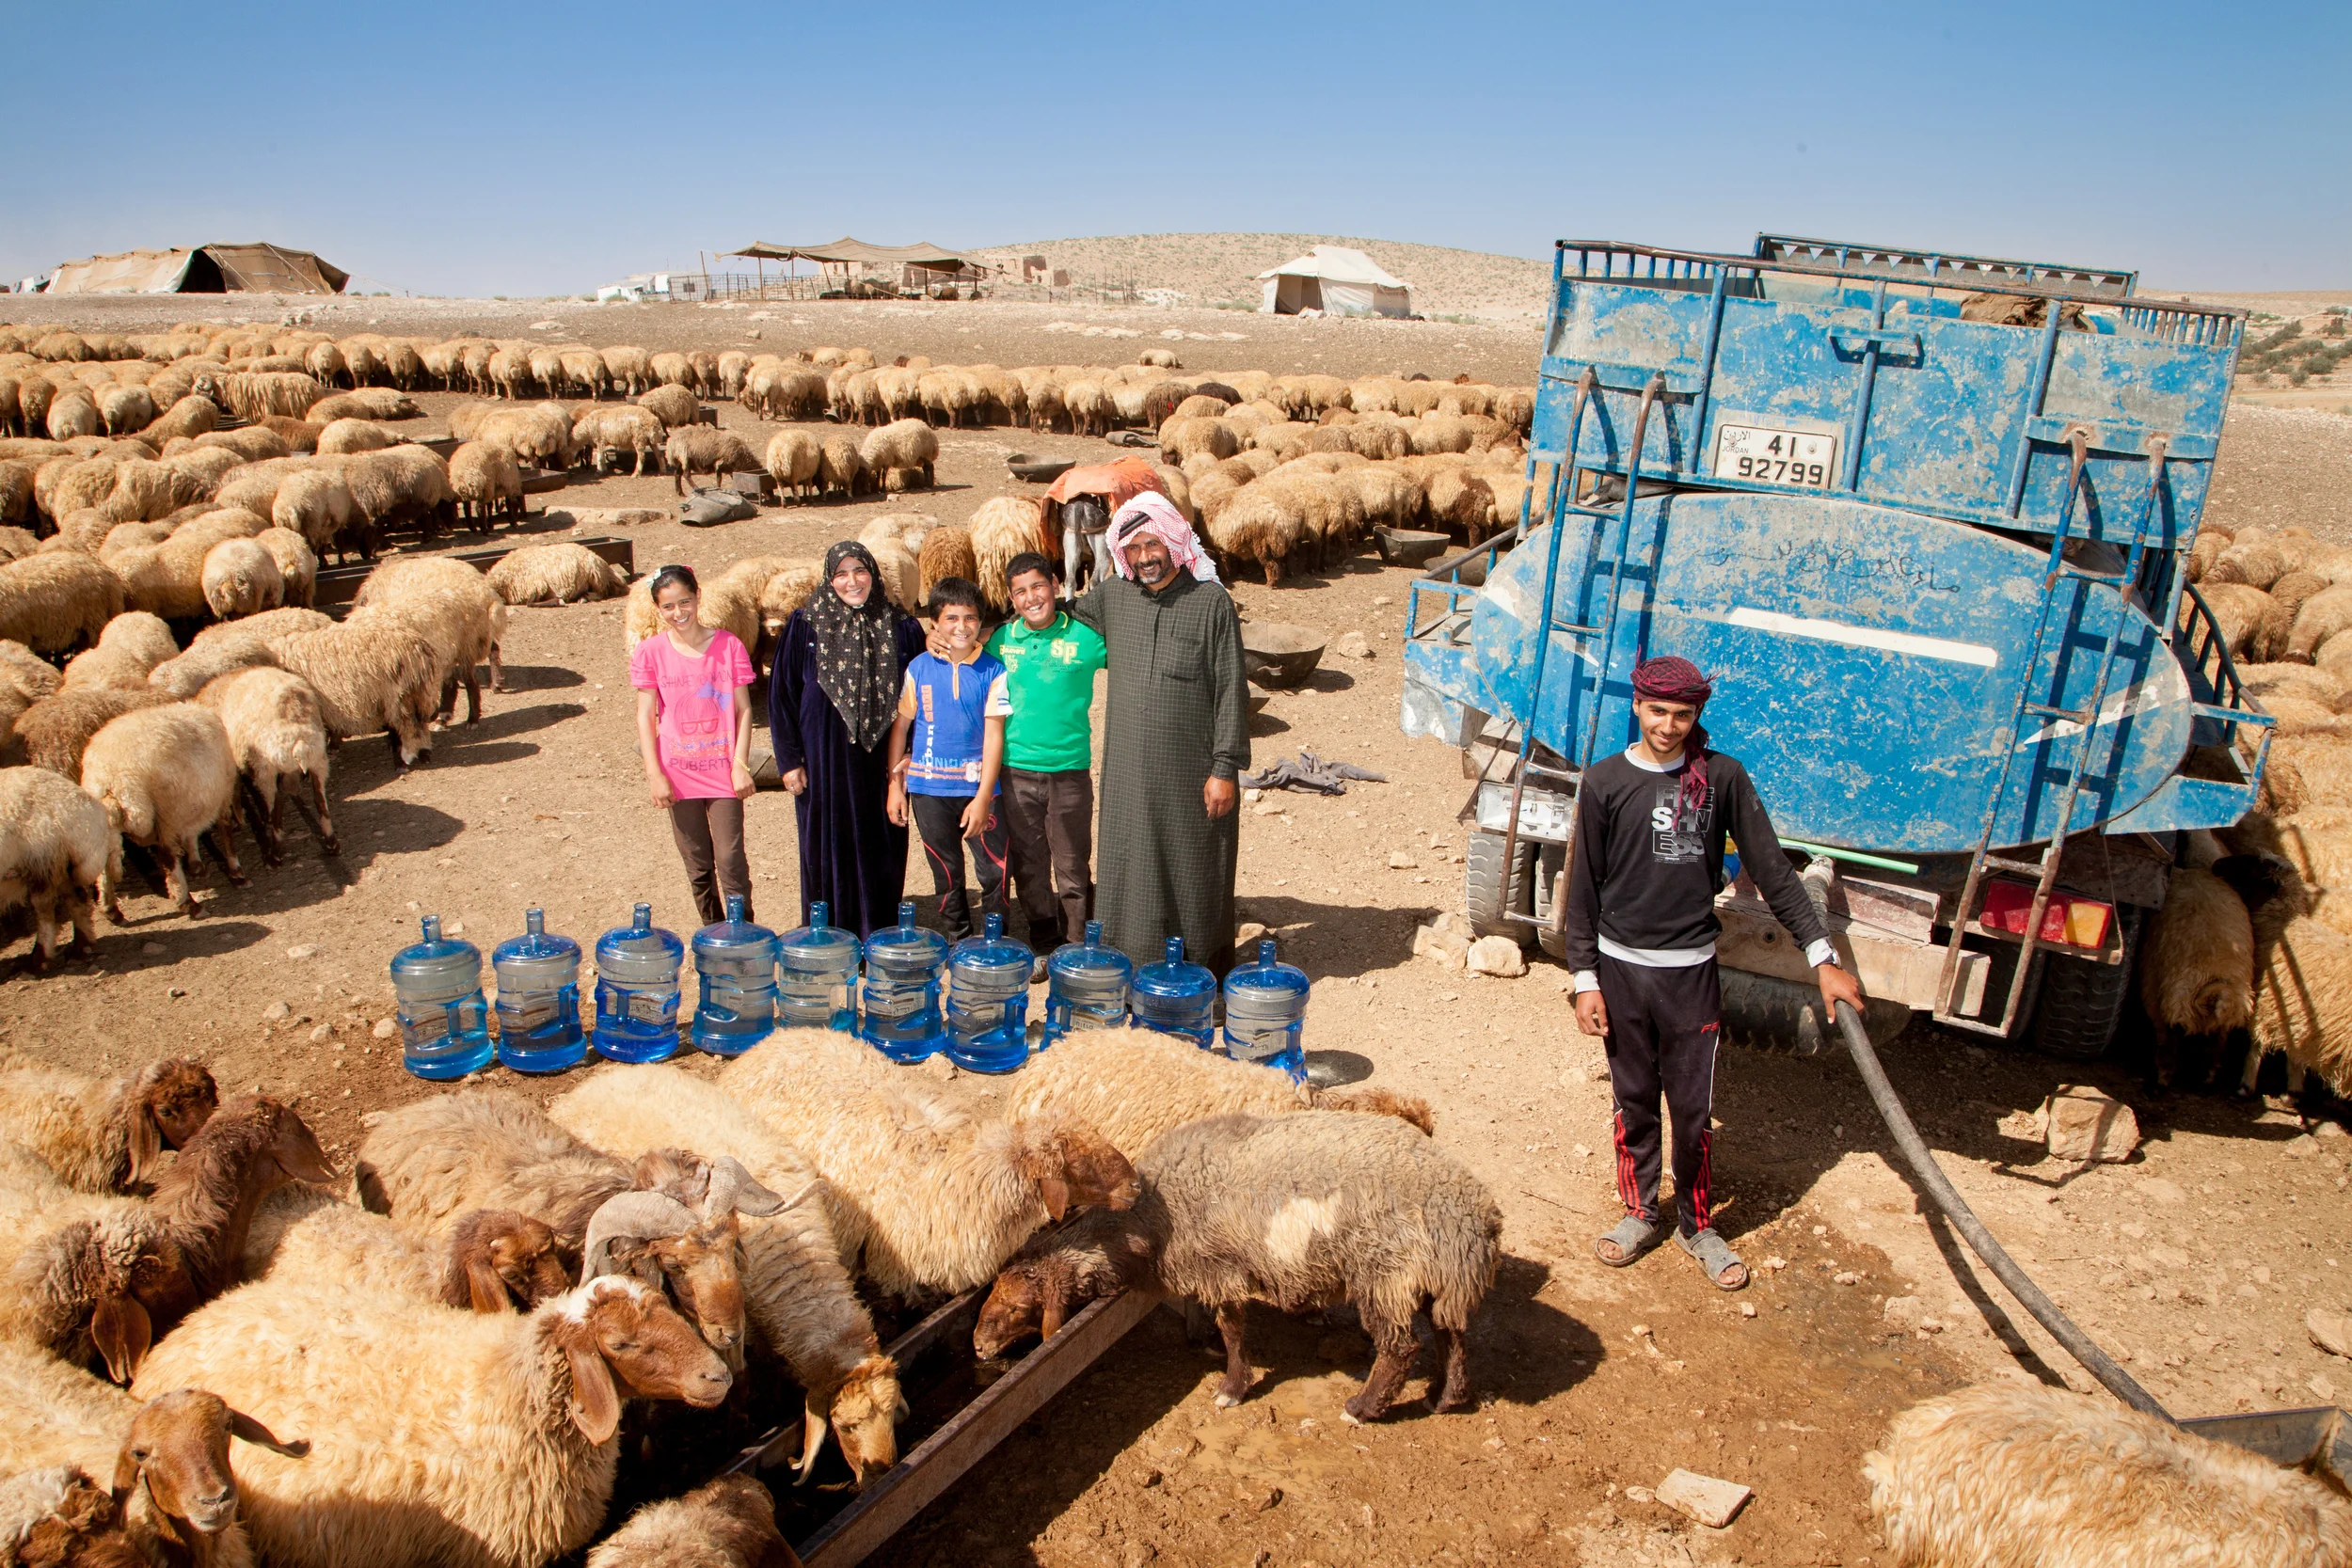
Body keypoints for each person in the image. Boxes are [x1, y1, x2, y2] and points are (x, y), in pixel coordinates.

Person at [1562, 655, 1866, 1292]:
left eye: (1683, 714)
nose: (1669, 725)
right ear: (1637, 707)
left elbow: (1776, 873)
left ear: (1696, 715)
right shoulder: (1606, 781)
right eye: (1658, 710)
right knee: (1634, 1100)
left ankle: (1697, 1226)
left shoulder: (1722, 778)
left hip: (1690, 974)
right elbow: (1583, 890)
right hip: (1621, 972)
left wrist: (1824, 959)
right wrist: (1584, 979)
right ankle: (1641, 1211)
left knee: (1693, 1110)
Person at [1065, 493, 1248, 977]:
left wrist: (1225, 769)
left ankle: (1199, 976)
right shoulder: (1112, 597)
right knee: (1130, 868)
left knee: (1196, 869)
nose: (1144, 556)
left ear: (1173, 541)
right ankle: (1130, 969)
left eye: (1153, 544)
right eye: (1133, 547)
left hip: (1192, 770)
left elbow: (1232, 689)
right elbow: (1057, 624)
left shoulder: (1211, 603)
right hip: (1128, 770)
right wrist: (982, 637)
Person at [770, 541, 926, 938]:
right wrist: (789, 760)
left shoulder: (900, 627)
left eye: (860, 571)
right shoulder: (806, 626)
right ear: (829, 578)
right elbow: (782, 696)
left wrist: (907, 760)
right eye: (841, 573)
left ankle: (877, 931)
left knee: (882, 842)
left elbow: (919, 694)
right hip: (822, 759)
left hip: (881, 761)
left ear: (873, 574)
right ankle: (828, 935)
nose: (851, 581)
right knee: (824, 843)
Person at [985, 550, 1108, 950]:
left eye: (1038, 586)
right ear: (1011, 597)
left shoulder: (1086, 639)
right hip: (1016, 771)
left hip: (1069, 771)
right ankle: (1042, 937)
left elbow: (1139, 657)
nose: (1031, 598)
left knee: (1072, 865)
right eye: (1020, 591)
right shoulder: (1001, 641)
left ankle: (1075, 945)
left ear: (1055, 586)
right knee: (1030, 863)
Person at [630, 564, 757, 925]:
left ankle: (742, 933)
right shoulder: (650, 652)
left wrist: (740, 764)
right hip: (677, 772)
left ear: (698, 597)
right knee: (697, 861)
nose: (678, 612)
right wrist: (654, 774)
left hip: (722, 772)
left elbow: (743, 709)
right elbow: (646, 716)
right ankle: (713, 933)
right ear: (658, 609)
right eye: (668, 606)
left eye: (684, 601)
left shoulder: (728, 646)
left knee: (731, 859)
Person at [887, 577, 1011, 942]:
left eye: (970, 618)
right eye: (951, 618)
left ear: (981, 622)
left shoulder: (993, 671)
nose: (962, 626)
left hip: (978, 789)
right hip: (927, 789)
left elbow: (994, 735)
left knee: (994, 870)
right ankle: (957, 940)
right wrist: (896, 787)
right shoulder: (918, 668)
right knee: (946, 871)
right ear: (935, 624)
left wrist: (983, 796)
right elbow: (901, 728)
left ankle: (995, 941)